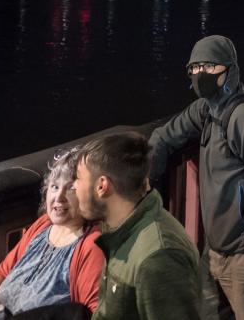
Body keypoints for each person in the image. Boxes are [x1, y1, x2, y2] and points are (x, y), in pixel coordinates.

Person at [148, 35, 244, 320]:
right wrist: (144, 178)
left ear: (230, 70)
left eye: (210, 67)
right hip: (215, 251)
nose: (201, 74)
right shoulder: (206, 109)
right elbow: (165, 135)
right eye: (195, 68)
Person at [74, 132, 201, 320]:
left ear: (102, 186)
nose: (74, 186)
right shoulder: (120, 228)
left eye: (78, 178)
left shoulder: (158, 257)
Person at [0, 149, 103, 317]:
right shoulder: (43, 225)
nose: (59, 197)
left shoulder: (91, 245)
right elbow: (1, 273)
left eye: (71, 188)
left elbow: (92, 314)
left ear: (88, 195)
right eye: (55, 186)